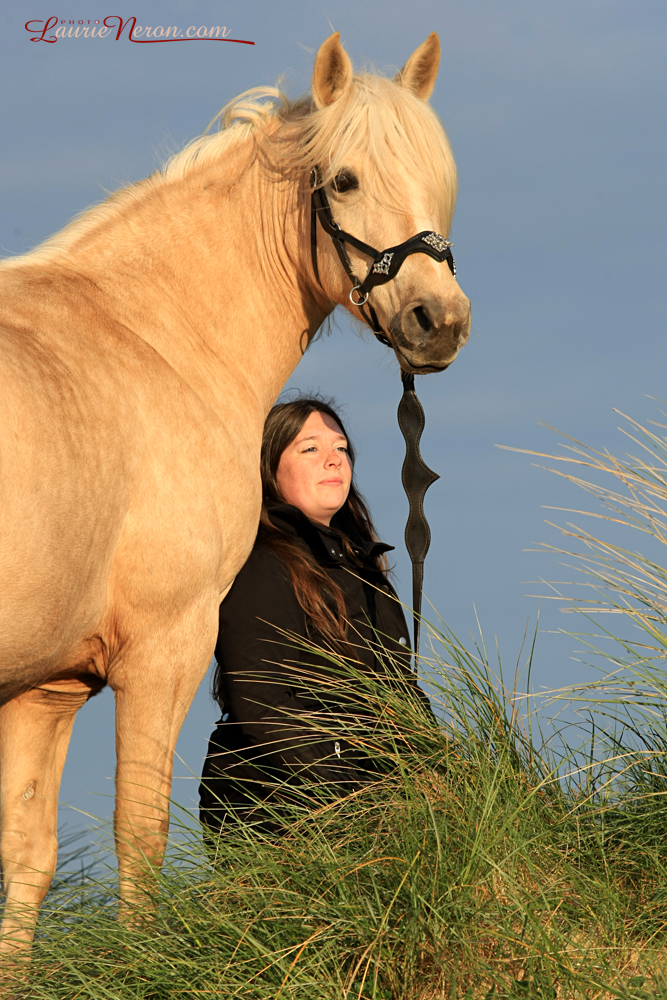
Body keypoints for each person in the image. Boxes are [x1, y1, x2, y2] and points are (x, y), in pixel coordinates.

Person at [199, 397, 429, 834]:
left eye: (341, 449)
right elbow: (261, 703)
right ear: (269, 469)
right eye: (310, 449)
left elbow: (400, 692)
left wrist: (434, 774)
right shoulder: (259, 564)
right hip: (279, 805)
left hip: (369, 800)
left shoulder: (363, 568)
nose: (333, 460)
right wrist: (354, 796)